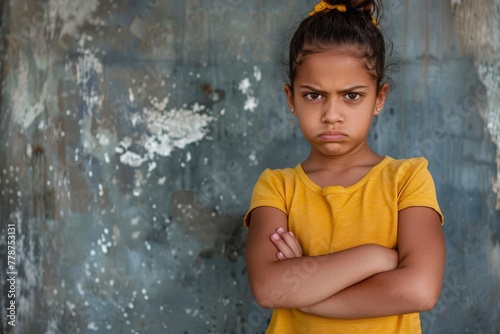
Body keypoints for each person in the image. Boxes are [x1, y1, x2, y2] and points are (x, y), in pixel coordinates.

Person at [243, 0, 446, 333]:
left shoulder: (408, 180)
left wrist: (304, 294)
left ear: (379, 98)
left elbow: (420, 289)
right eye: (313, 95)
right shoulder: (277, 187)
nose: (331, 114)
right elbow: (268, 289)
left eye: (352, 96)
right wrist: (374, 257)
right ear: (290, 98)